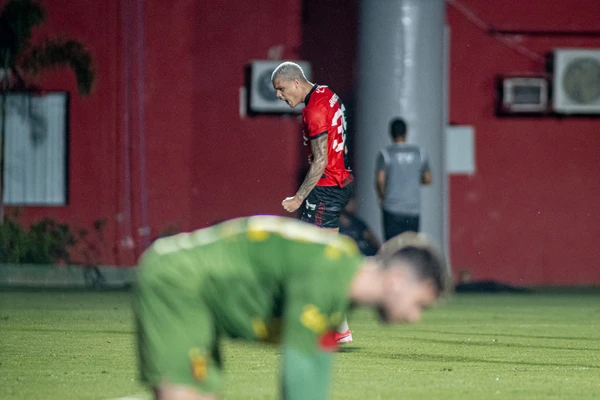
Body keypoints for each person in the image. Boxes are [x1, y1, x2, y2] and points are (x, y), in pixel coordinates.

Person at [134, 216, 450, 400]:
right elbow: (298, 371)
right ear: (396, 280)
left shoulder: (340, 286)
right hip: (180, 283)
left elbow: (315, 370)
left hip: (198, 297)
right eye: (419, 304)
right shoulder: (326, 273)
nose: (414, 317)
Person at [271, 61, 354, 233]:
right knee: (321, 247)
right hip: (341, 180)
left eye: (281, 89)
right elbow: (341, 143)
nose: (279, 95)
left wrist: (298, 199)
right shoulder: (327, 93)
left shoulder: (314, 110)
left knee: (316, 248)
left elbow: (321, 160)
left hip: (327, 187)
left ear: (296, 82)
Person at [376, 118, 432, 240]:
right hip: (412, 209)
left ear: (390, 133)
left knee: (392, 246)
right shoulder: (420, 153)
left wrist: (381, 195)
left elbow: (380, 180)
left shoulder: (385, 154)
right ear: (406, 133)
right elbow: (428, 179)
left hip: (392, 208)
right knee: (410, 246)